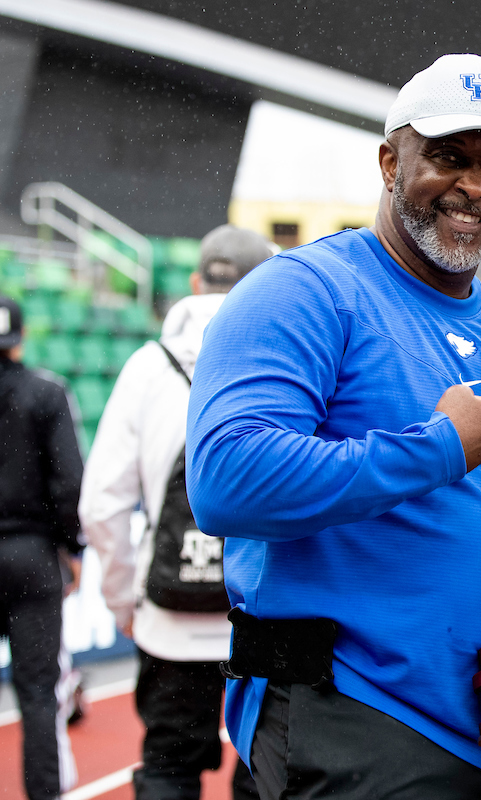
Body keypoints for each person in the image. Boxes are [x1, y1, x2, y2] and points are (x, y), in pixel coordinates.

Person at [185, 54, 481, 800]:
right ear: (390, 161)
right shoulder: (304, 290)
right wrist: (442, 447)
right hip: (353, 717)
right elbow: (226, 479)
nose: (476, 187)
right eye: (448, 158)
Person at [79, 225, 272, 800]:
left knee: (166, 769)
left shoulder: (148, 366)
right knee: (263, 776)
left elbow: (103, 502)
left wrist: (123, 600)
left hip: (169, 619)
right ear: (265, 279)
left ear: (195, 281)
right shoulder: (280, 354)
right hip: (261, 618)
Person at [0, 293, 84, 800]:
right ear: (21, 337)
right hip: (31, 558)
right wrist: (70, 548)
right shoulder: (46, 393)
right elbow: (70, 485)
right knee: (37, 696)